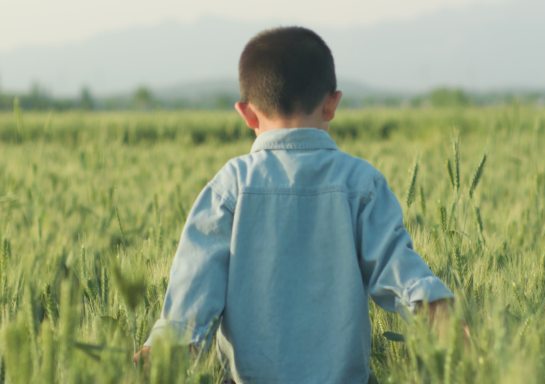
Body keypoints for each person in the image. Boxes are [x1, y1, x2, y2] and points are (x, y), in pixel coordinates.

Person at [134, 26, 454, 383]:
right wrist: (455, 330)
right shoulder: (362, 183)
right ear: (332, 103)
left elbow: (189, 313)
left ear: (247, 114)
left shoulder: (230, 187)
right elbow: (404, 277)